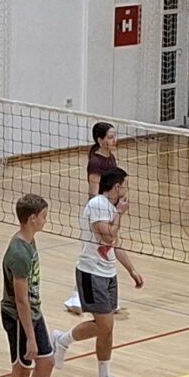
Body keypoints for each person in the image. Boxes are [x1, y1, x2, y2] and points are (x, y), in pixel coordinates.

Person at [0, 194, 67, 377]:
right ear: (31, 219)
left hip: (33, 312)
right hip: (19, 317)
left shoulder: (30, 241)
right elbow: (20, 299)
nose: (46, 220)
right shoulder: (19, 253)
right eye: (43, 216)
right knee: (21, 371)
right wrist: (29, 337)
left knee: (46, 361)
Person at [70, 166, 143, 377]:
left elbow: (114, 244)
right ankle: (62, 340)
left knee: (107, 329)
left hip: (108, 273)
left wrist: (131, 270)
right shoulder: (98, 205)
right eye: (126, 185)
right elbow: (108, 235)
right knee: (105, 325)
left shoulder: (110, 208)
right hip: (91, 272)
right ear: (117, 186)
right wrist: (120, 214)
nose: (128, 189)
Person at [65, 124, 123, 313]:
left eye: (115, 136)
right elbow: (93, 192)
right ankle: (77, 296)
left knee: (107, 250)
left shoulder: (110, 157)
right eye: (110, 137)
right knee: (90, 253)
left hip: (109, 211)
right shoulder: (96, 162)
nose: (114, 140)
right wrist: (100, 213)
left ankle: (102, 294)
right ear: (100, 140)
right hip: (98, 214)